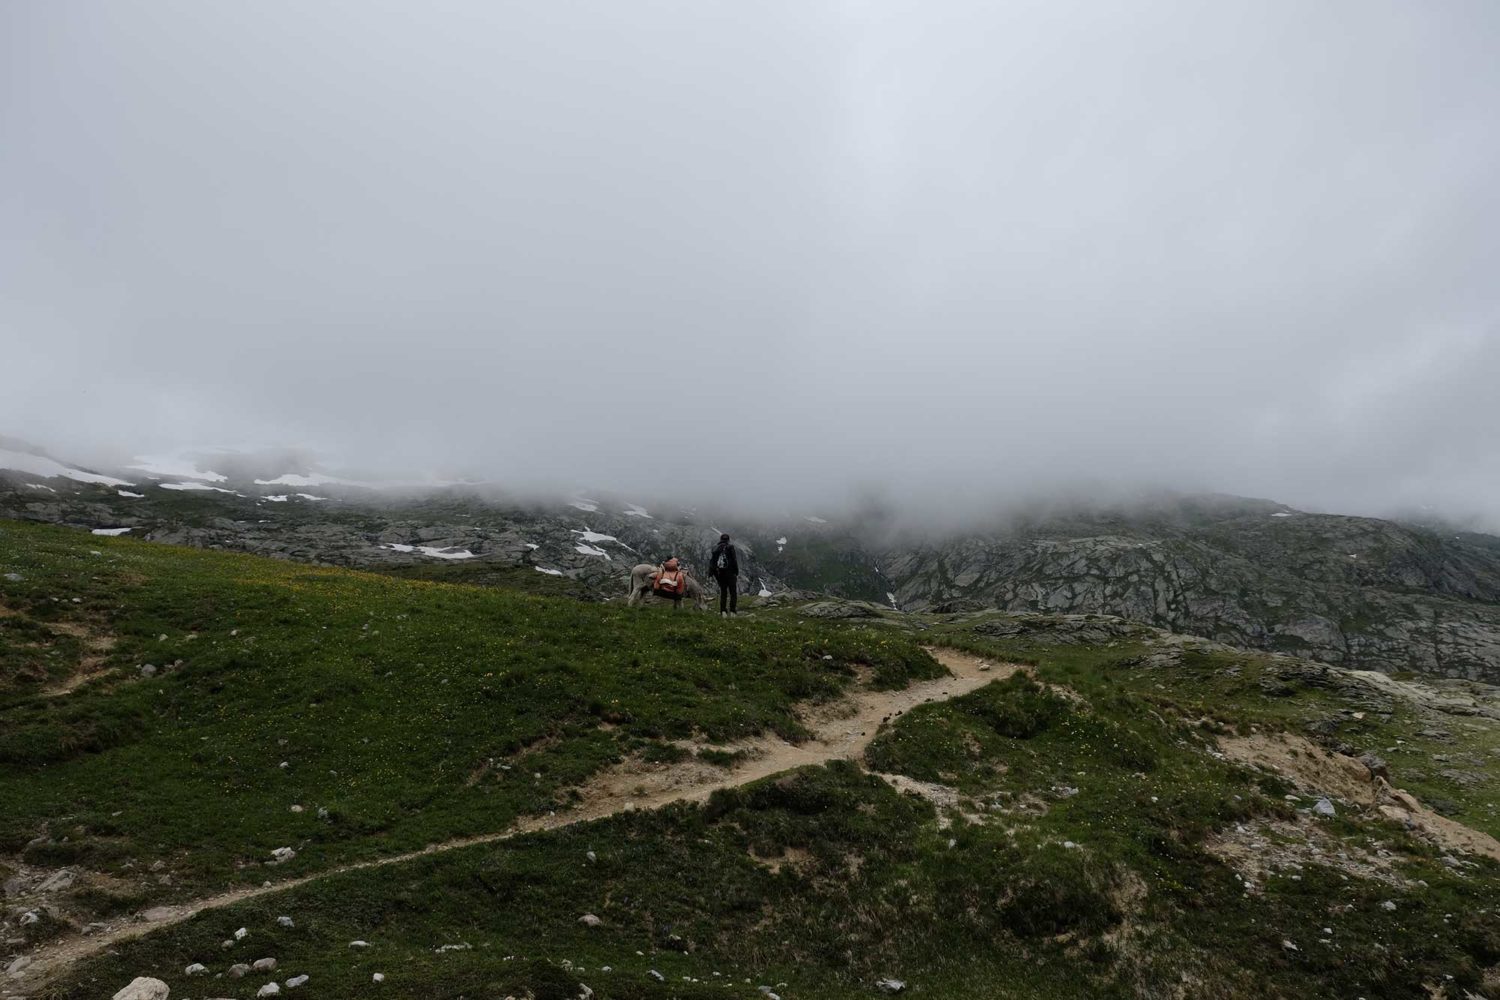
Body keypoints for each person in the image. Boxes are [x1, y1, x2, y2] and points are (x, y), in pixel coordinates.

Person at [710, 533, 738, 616]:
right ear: (728, 540)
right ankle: (732, 611)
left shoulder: (715, 548)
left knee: (723, 592)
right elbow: (734, 560)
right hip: (730, 573)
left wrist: (713, 573)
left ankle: (723, 611)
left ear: (720, 539)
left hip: (720, 574)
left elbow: (712, 562)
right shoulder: (730, 547)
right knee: (733, 592)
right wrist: (736, 571)